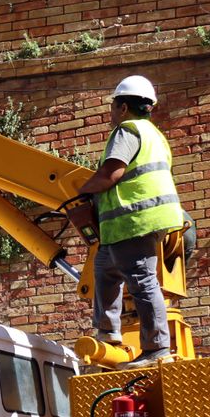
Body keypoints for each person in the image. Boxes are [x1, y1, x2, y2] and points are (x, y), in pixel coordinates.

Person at [76, 75, 183, 365]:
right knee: (105, 269)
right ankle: (108, 332)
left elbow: (111, 173)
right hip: (132, 223)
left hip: (135, 220)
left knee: (142, 280)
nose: (111, 113)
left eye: (113, 107)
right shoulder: (155, 136)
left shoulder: (126, 130)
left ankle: (157, 348)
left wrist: (80, 192)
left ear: (123, 108)